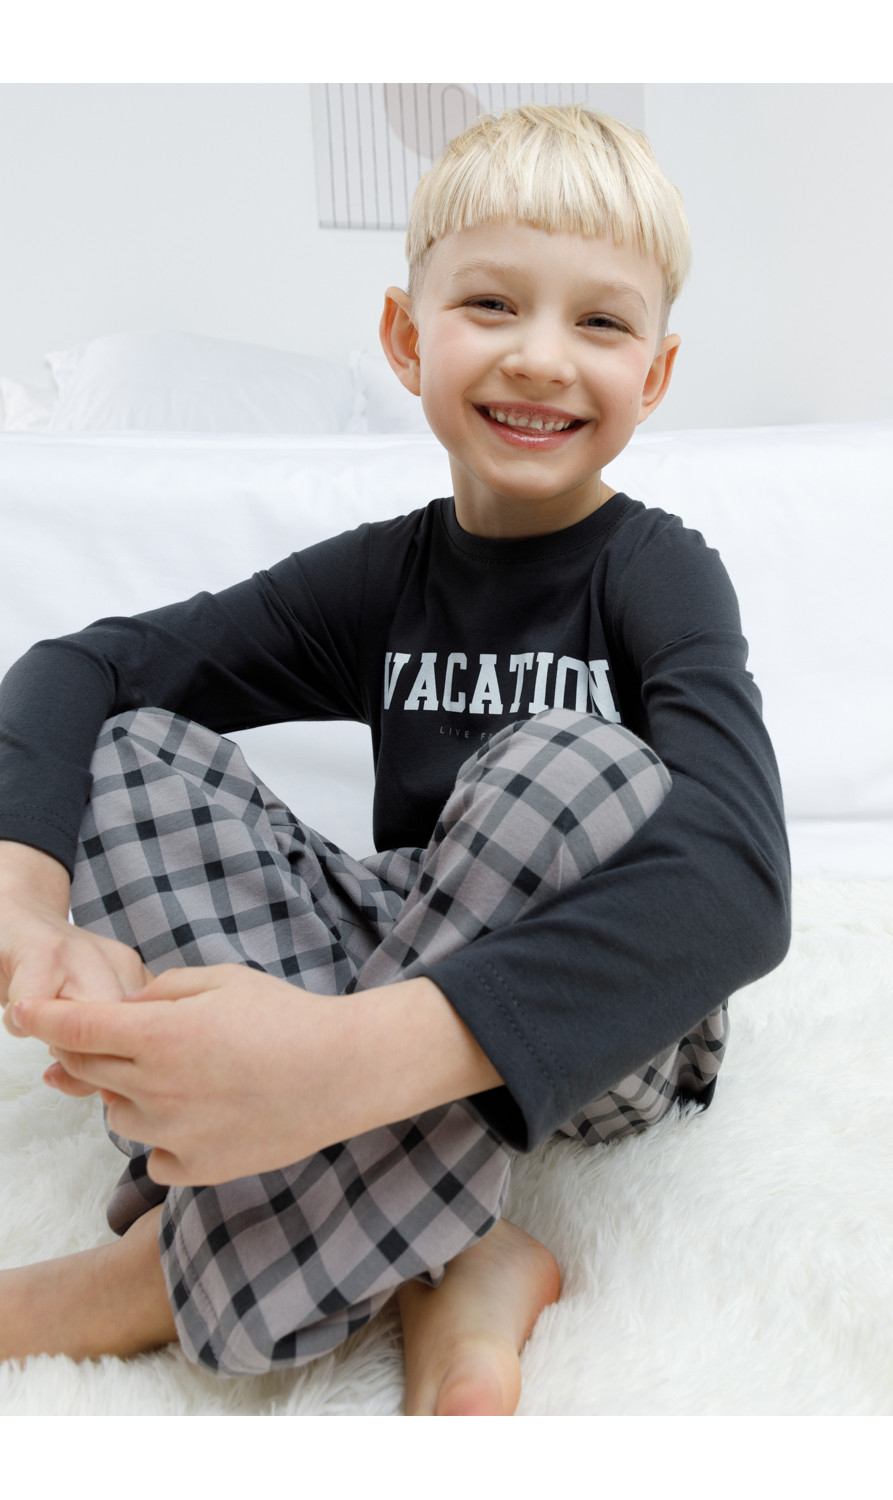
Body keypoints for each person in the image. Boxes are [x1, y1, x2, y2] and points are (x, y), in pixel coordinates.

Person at [0, 103, 790, 1415]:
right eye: (492, 304)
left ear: (652, 376)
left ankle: (158, 1275)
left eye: (600, 323)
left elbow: (740, 886)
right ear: (408, 338)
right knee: (124, 756)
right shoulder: (384, 575)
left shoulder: (661, 572)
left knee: (574, 772)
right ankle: (468, 1255)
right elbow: (82, 669)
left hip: (608, 1019)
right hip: (411, 944)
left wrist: (333, 1064)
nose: (542, 357)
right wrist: (26, 905)